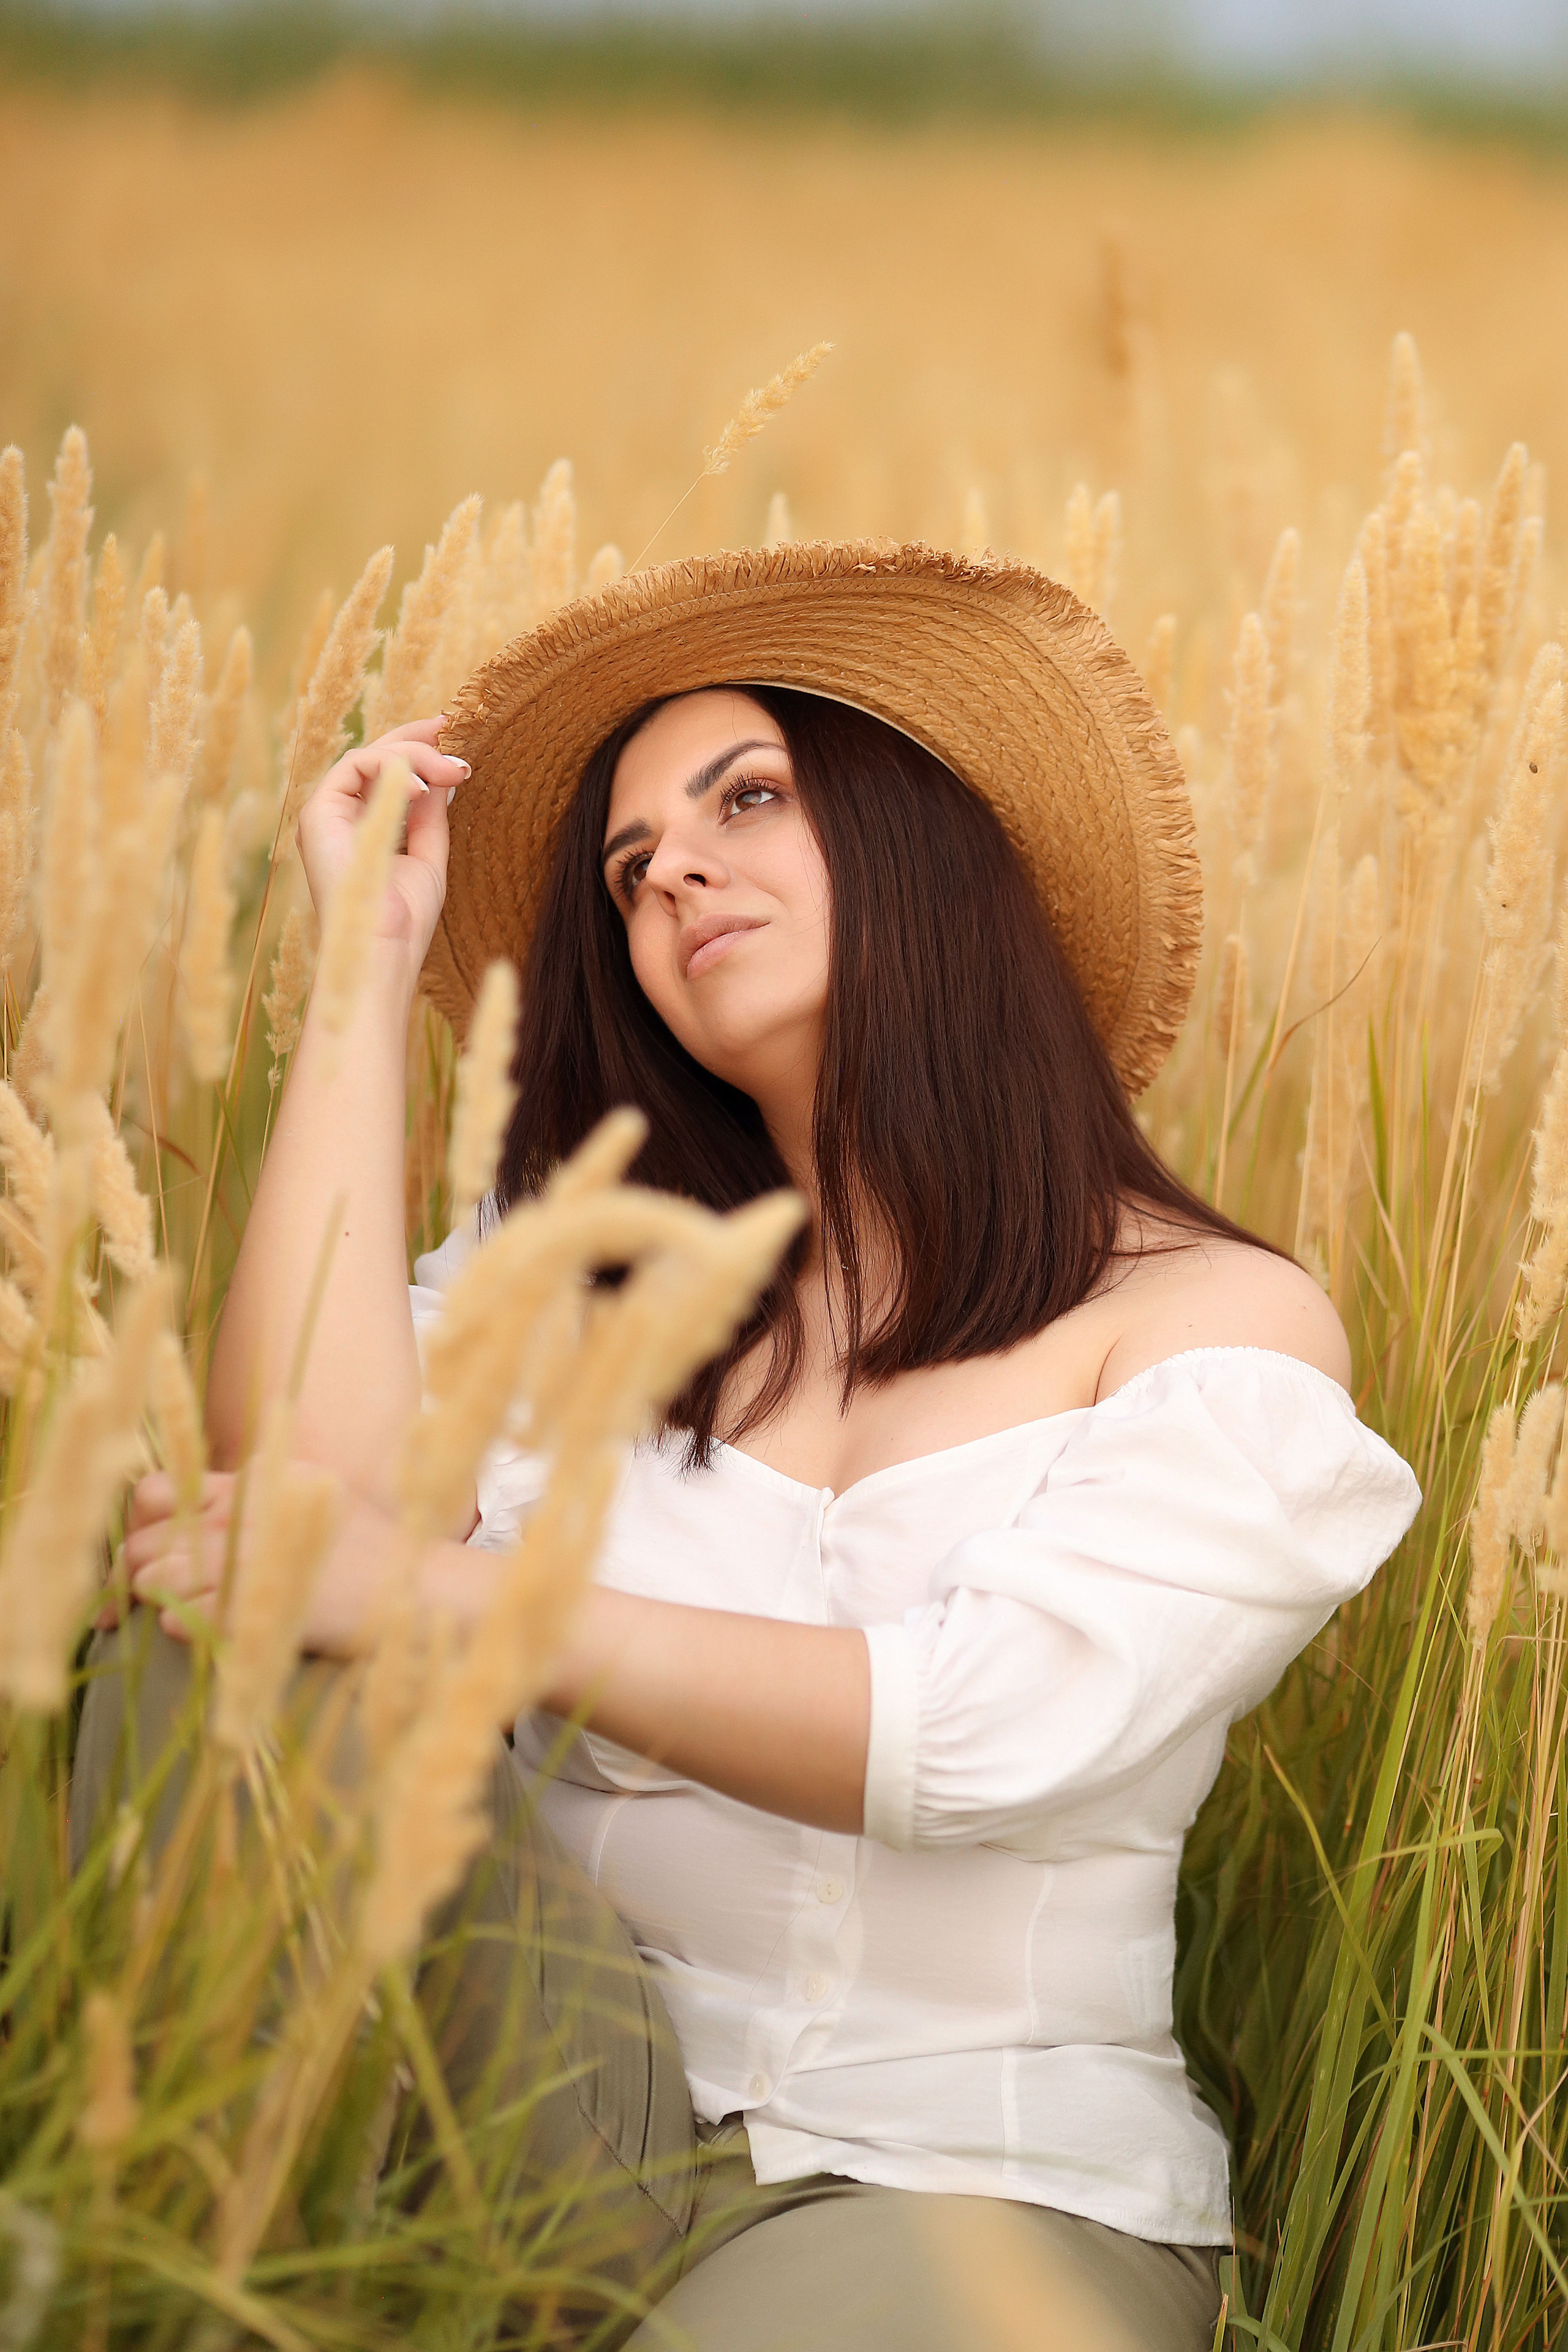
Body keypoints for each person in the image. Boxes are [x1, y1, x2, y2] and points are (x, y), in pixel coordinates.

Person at [84, 542, 1421, 2351]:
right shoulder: (585, 1275)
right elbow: (304, 1542)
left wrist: (456, 1595)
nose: (675, 874)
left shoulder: (1206, 1322)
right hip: (554, 2112)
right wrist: (355, 980)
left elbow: (986, 1732)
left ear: (923, 842)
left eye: (750, 798)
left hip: (962, 2180)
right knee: (211, 1666)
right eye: (633, 868)